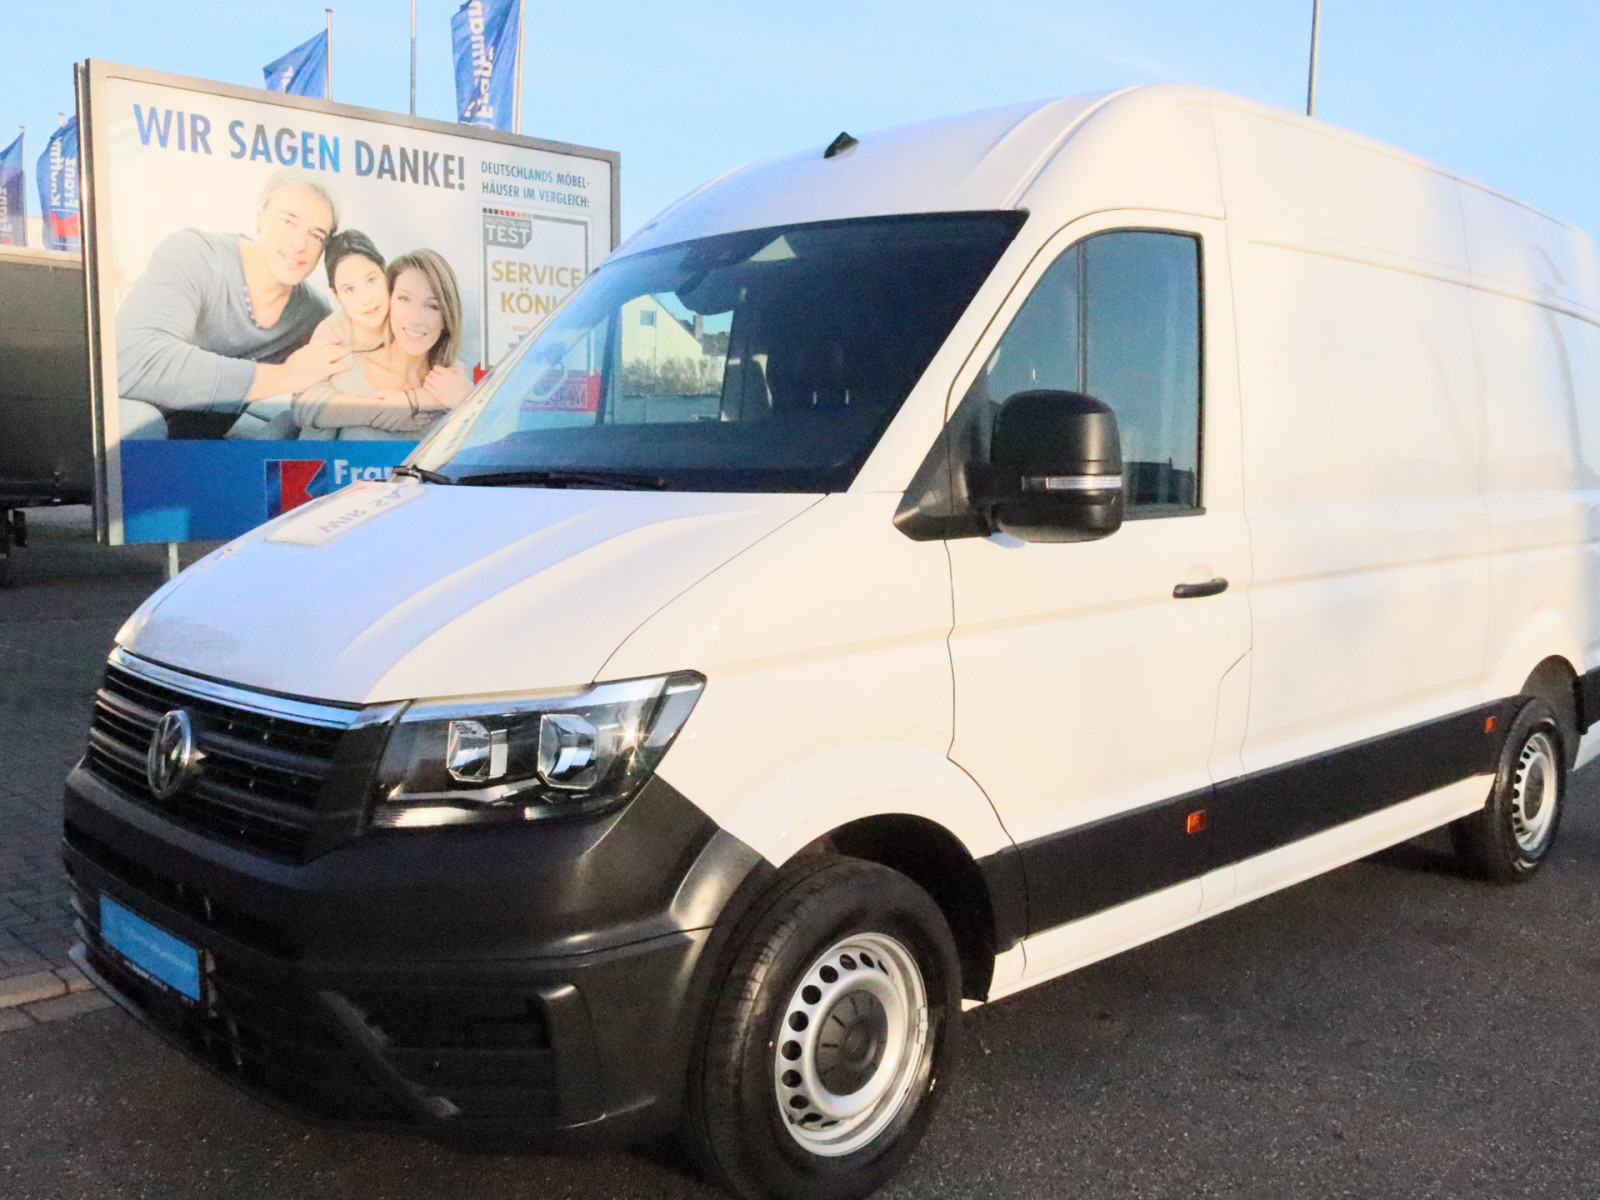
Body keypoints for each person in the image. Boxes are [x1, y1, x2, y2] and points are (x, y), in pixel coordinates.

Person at [115, 170, 349, 439]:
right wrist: (284, 376)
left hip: (205, 446)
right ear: (259, 219)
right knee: (142, 421)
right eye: (287, 221)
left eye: (316, 235)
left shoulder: (312, 314)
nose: (299, 244)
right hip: (128, 428)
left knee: (300, 421)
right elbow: (130, 359)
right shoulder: (194, 255)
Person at [290, 249, 471, 440]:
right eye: (404, 299)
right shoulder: (345, 369)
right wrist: (380, 409)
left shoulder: (453, 383)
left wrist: (462, 399)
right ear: (389, 300)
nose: (415, 319)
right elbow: (304, 415)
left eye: (432, 306)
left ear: (446, 318)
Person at [314, 229, 390, 353]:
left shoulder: (409, 317)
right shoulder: (328, 338)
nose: (366, 299)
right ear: (336, 294)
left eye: (371, 280)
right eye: (349, 289)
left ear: (385, 273)